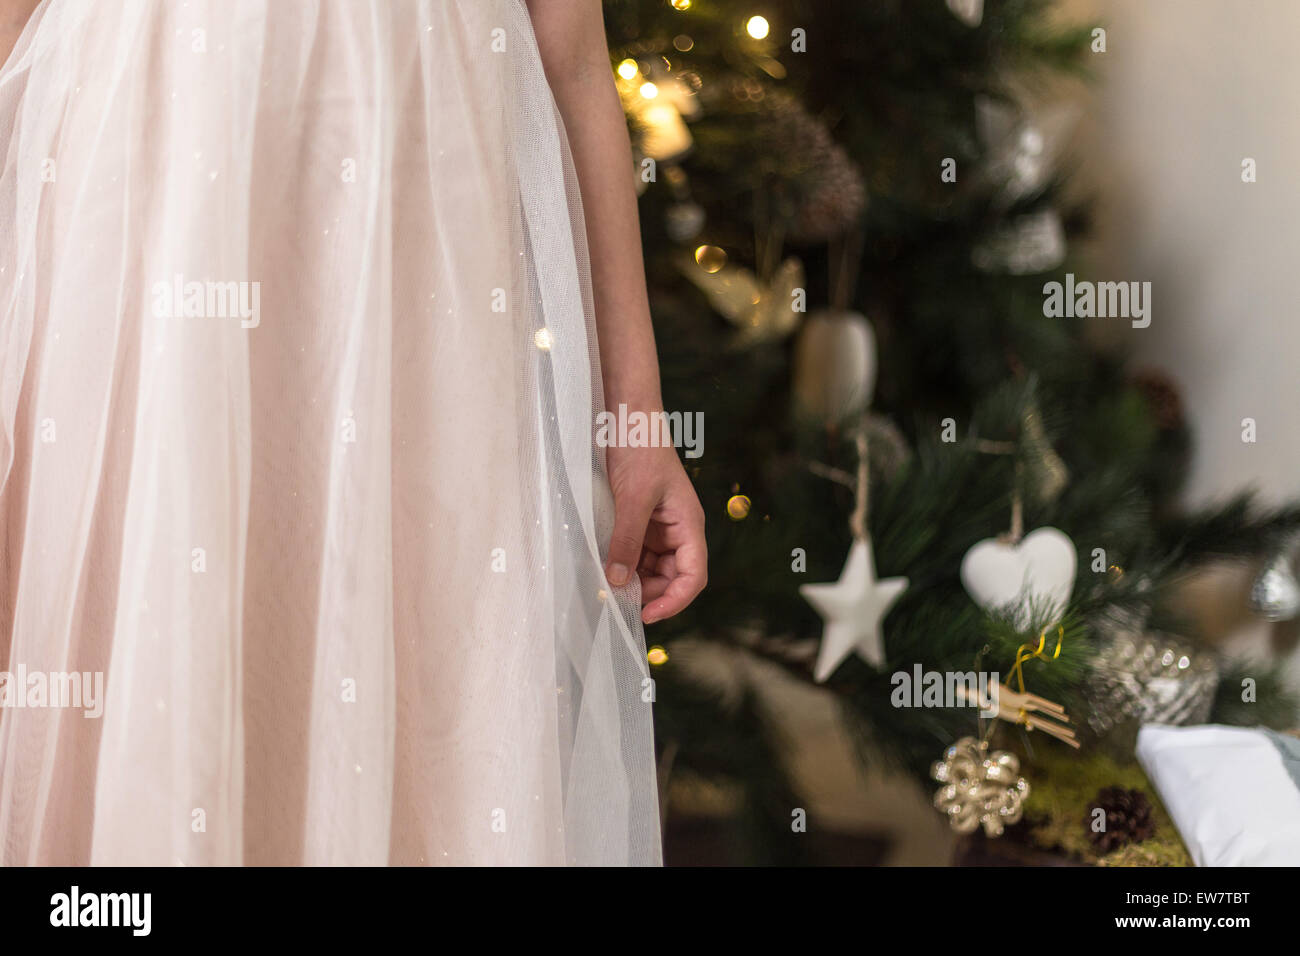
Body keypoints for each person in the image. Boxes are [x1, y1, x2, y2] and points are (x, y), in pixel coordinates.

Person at [0, 0, 705, 866]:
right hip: (141, 195)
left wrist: (634, 417)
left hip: (420, 231)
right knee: (156, 624)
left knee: (413, 683)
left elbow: (574, 66)